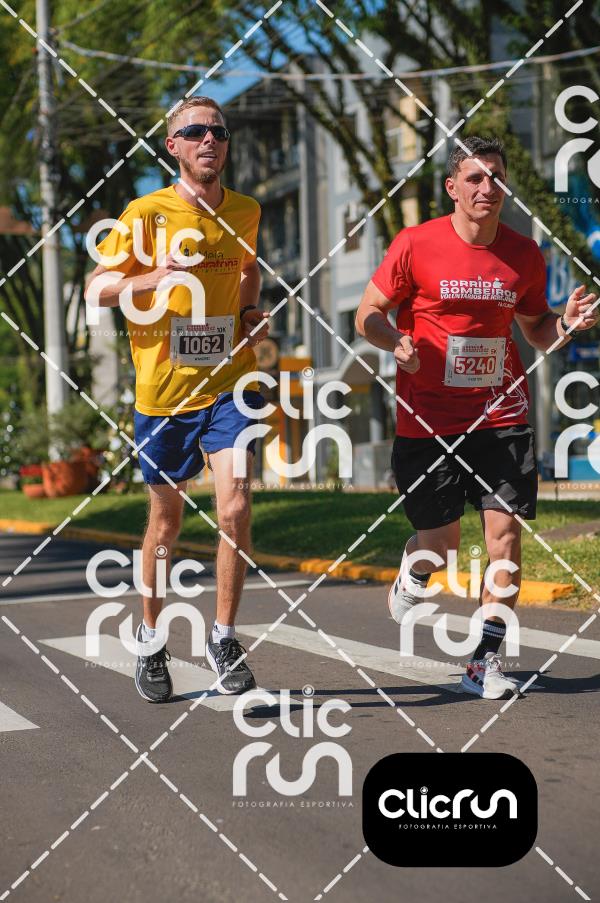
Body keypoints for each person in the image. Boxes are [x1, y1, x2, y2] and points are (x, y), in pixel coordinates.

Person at [356, 135, 597, 700]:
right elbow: (367, 314)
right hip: (428, 419)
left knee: (505, 537)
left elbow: (536, 330)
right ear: (453, 187)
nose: (488, 187)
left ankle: (484, 662)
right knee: (439, 545)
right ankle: (415, 570)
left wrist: (566, 324)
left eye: (496, 177)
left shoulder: (524, 253)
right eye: (475, 177)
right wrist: (394, 341)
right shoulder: (415, 244)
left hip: (500, 414)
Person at [85, 96, 270, 702]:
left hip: (229, 383)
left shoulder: (245, 210)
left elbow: (247, 269)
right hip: (164, 394)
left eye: (218, 131)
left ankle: (223, 637)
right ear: (173, 146)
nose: (208, 139)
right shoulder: (145, 213)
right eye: (194, 131)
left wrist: (248, 312)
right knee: (165, 522)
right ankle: (151, 636)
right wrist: (152, 278)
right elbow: (96, 288)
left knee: (235, 507)